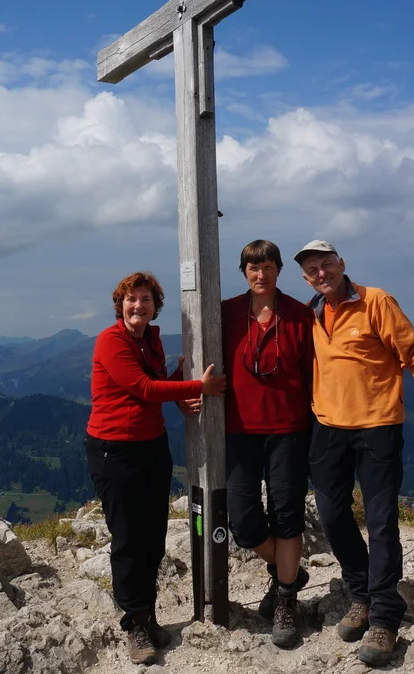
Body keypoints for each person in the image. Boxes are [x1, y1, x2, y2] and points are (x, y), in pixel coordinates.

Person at [294, 240, 414, 667]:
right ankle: (359, 591)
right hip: (326, 429)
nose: (321, 273)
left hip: (378, 428)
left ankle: (383, 614)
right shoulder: (311, 313)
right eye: (312, 270)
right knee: (332, 516)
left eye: (327, 264)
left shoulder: (376, 301)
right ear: (306, 278)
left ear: (342, 264)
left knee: (381, 522)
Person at [86, 271, 226, 666]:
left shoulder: (149, 338)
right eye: (132, 299)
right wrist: (199, 387)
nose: (138, 306)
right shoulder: (111, 340)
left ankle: (147, 615)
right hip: (115, 452)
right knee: (130, 540)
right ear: (120, 304)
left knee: (154, 537)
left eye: (146, 299)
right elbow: (143, 389)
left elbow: (154, 382)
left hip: (150, 448)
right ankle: (134, 624)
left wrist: (178, 380)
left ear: (154, 306)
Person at [220, 240, 315, 648]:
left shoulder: (299, 314)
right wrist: (184, 386)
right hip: (239, 429)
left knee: (287, 513)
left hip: (290, 429)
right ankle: (288, 571)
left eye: (269, 267)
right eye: (253, 268)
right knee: (242, 519)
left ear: (279, 270)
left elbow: (316, 371)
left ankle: (286, 599)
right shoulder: (225, 313)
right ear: (244, 272)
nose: (262, 274)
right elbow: (199, 356)